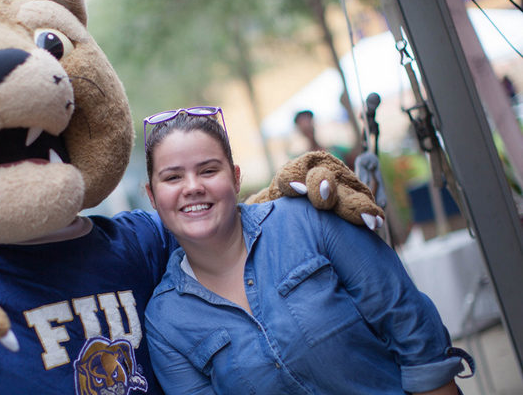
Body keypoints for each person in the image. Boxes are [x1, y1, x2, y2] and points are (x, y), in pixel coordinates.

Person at [142, 107, 472, 394]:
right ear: (153, 196)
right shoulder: (165, 320)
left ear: (236, 178)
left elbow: (406, 318)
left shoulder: (309, 220)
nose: (193, 187)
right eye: (172, 177)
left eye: (208, 170)